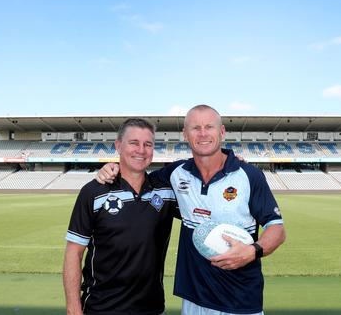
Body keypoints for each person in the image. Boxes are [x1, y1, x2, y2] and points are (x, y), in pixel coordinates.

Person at [97, 105, 286, 315]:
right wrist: (113, 166)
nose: (203, 134)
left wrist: (252, 252)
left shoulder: (249, 176)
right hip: (194, 300)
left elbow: (277, 229)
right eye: (195, 128)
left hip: (241, 301)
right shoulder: (176, 173)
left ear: (221, 132)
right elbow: (137, 178)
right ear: (185, 134)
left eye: (209, 127)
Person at [63, 118, 178, 315]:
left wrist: (232, 166)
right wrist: (73, 308)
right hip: (101, 308)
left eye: (147, 144)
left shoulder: (166, 192)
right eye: (134, 143)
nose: (141, 150)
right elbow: (74, 253)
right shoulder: (93, 192)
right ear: (118, 146)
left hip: (151, 308)